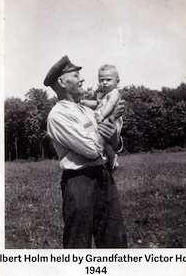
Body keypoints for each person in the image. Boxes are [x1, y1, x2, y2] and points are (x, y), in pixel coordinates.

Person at [44, 55, 127, 248]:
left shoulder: (87, 110)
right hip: (79, 182)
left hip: (104, 178)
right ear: (61, 82)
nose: (82, 79)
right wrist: (112, 117)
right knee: (78, 245)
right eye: (76, 74)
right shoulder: (58, 116)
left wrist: (113, 136)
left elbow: (115, 143)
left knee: (115, 242)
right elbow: (91, 150)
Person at [80, 64, 122, 171]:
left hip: (111, 120)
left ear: (117, 82)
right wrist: (83, 102)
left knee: (104, 139)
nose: (104, 82)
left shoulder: (114, 92)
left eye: (108, 80)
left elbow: (111, 104)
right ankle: (106, 157)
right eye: (101, 80)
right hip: (102, 119)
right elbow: (96, 103)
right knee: (94, 134)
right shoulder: (104, 94)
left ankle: (112, 158)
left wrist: (102, 115)